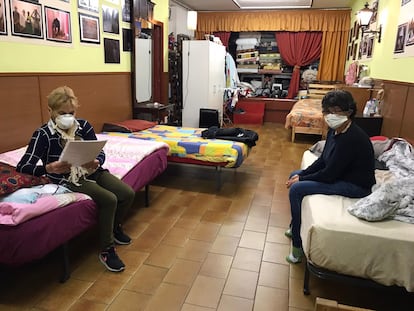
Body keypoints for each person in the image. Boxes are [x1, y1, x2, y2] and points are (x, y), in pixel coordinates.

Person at [16, 86, 135, 272]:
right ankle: (107, 249)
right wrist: (48, 168)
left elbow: (100, 151)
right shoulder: (43, 135)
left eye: (71, 113)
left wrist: (96, 161)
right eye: (62, 113)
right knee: (109, 199)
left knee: (127, 193)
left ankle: (114, 227)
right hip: (67, 178)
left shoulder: (84, 126)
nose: (67, 117)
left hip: (90, 171)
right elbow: (23, 166)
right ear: (50, 111)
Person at [285, 90, 376, 264]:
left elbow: (330, 174)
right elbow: (323, 161)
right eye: (327, 111)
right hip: (339, 175)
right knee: (294, 174)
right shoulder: (335, 131)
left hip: (355, 185)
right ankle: (294, 224)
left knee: (297, 188)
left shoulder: (352, 138)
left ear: (348, 112)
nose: (329, 115)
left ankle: (297, 246)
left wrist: (302, 180)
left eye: (335, 111)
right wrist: (302, 174)